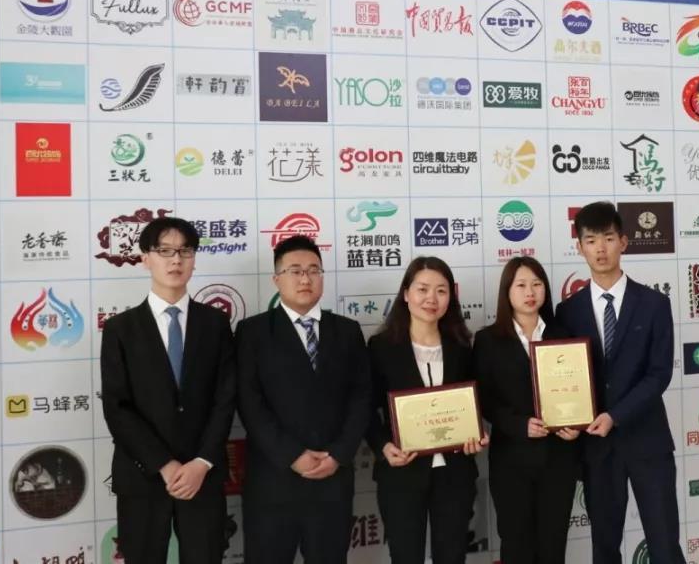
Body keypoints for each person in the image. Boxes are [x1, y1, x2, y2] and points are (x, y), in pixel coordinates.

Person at [100, 216, 236, 564]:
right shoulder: (120, 329)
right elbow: (117, 407)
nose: (176, 260)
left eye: (185, 251)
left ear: (194, 259)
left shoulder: (216, 324)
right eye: (165, 251)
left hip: (202, 476)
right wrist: (163, 464)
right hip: (143, 477)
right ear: (145, 258)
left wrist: (201, 462)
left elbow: (225, 399)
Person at [555, 202, 684, 564]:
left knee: (665, 545)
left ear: (624, 242)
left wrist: (616, 415)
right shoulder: (568, 312)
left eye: (608, 238)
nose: (600, 248)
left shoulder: (655, 304)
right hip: (598, 449)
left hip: (648, 442)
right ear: (579, 247)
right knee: (605, 547)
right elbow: (563, 378)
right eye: (591, 240)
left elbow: (659, 374)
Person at [236, 235, 370, 563]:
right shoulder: (252, 332)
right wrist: (291, 455)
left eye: (313, 270)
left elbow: (361, 398)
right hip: (273, 481)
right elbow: (249, 402)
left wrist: (338, 454)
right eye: (295, 271)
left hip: (332, 479)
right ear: (276, 279)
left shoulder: (347, 331)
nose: (305, 279)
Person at [366, 256, 487, 564]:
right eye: (422, 289)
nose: (431, 298)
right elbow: (365, 409)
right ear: (406, 294)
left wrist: (477, 434)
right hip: (402, 474)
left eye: (441, 291)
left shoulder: (462, 346)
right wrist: (384, 446)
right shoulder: (381, 347)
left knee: (453, 556)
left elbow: (474, 402)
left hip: (454, 474)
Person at [474, 256, 580, 564]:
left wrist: (577, 424)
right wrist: (518, 424)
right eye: (520, 285)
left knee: (553, 545)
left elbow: (579, 390)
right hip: (512, 460)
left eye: (536, 284)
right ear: (507, 292)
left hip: (558, 458)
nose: (530, 292)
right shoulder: (488, 340)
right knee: (516, 544)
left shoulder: (564, 335)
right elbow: (484, 399)